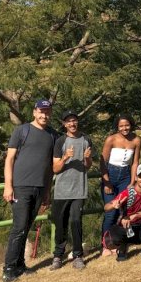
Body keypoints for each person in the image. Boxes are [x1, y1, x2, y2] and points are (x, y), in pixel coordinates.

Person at [1, 99, 58, 282]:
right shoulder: (22, 130)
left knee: (26, 226)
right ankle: (9, 268)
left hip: (40, 187)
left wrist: (48, 190)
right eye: (41, 111)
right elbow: (9, 159)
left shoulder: (52, 135)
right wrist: (8, 185)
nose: (44, 115)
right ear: (34, 112)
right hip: (21, 186)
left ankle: (19, 265)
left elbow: (50, 166)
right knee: (18, 227)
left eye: (47, 112)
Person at [50, 110, 93, 271]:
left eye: (74, 120)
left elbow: (88, 165)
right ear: (64, 124)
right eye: (68, 121)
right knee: (60, 224)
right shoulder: (60, 141)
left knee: (76, 222)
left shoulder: (86, 139)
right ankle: (58, 255)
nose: (72, 124)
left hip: (79, 189)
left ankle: (78, 255)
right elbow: (55, 168)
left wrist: (87, 158)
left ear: (77, 122)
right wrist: (65, 157)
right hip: (62, 190)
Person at [100, 114, 141, 255]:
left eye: (127, 125)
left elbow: (135, 162)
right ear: (117, 127)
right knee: (111, 211)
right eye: (121, 126)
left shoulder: (136, 140)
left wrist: (132, 182)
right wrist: (106, 181)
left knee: (124, 211)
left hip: (125, 176)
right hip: (111, 175)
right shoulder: (111, 139)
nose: (125, 128)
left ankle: (120, 242)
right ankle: (105, 245)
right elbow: (102, 162)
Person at [102, 163, 141, 263]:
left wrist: (136, 215)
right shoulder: (128, 192)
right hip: (126, 227)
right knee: (115, 237)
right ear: (136, 177)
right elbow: (106, 208)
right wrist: (114, 205)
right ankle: (123, 247)